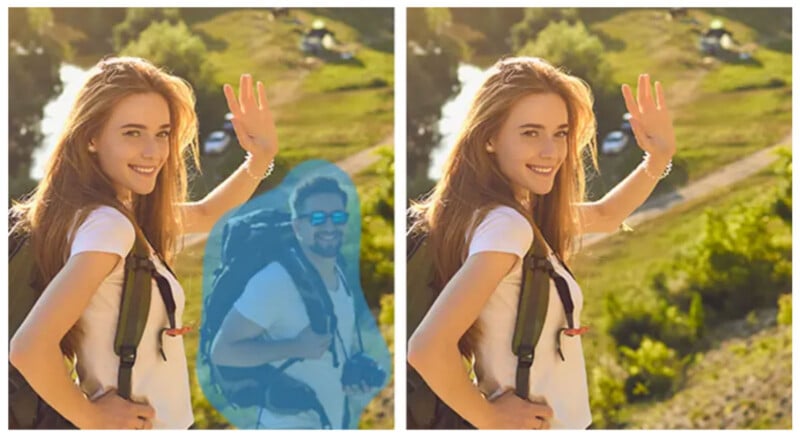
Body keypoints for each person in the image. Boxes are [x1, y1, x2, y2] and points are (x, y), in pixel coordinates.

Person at [407, 56, 677, 429]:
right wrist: (489, 418)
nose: (551, 152)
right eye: (530, 133)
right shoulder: (506, 227)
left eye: (560, 133)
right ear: (489, 138)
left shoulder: (491, 214)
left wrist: (657, 158)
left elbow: (604, 215)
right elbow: (426, 348)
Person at [9, 56, 279, 429]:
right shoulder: (108, 227)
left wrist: (260, 157)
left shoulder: (92, 213)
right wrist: (92, 418)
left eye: (162, 133)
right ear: (91, 137)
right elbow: (28, 348)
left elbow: (204, 214)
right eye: (132, 133)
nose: (153, 152)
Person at [210, 176, 385, 429]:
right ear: (297, 227)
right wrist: (295, 347)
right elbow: (223, 351)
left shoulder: (339, 275)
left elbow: (326, 356)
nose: (328, 226)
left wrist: (353, 377)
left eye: (337, 217)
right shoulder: (274, 282)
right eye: (317, 218)